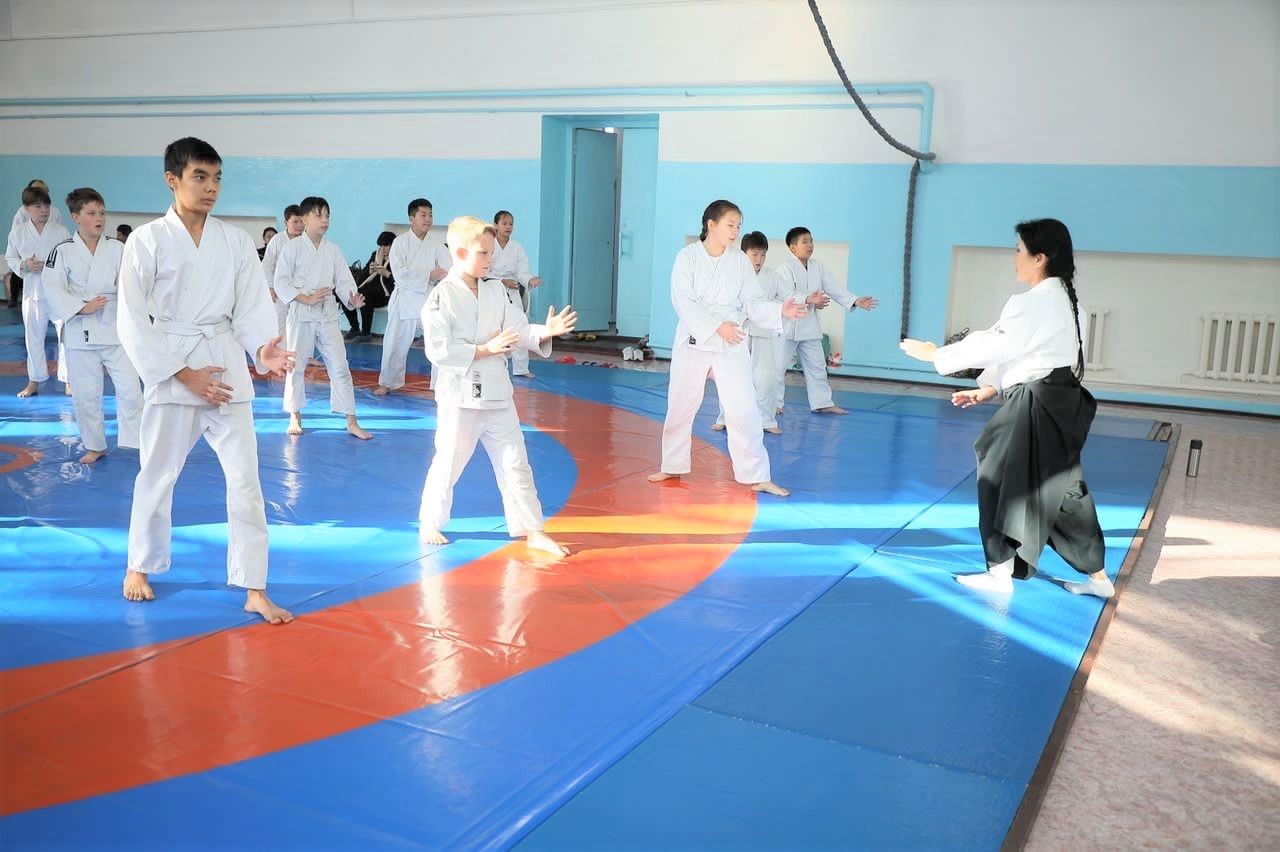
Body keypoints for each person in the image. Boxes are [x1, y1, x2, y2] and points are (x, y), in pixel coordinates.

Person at [117, 136, 296, 623]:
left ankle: (254, 586)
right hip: (173, 365)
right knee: (157, 474)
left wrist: (262, 349)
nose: (211, 187)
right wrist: (183, 374)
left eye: (217, 178)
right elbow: (131, 319)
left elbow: (251, 306)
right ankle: (139, 564)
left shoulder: (234, 241)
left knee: (246, 481)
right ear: (172, 180)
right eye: (200, 176)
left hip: (225, 366)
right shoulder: (147, 240)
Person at [900, 218, 1113, 599]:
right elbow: (1030, 352)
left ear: (1040, 258)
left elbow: (998, 344)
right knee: (1064, 487)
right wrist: (990, 387)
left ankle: (999, 570)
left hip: (1036, 403)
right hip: (1062, 399)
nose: (1015, 258)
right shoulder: (1070, 302)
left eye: (1019, 251)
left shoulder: (1034, 302)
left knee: (997, 471)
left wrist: (938, 354)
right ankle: (1098, 577)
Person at [418, 215, 576, 555]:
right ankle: (430, 521)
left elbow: (518, 328)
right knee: (448, 462)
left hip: (497, 393)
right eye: (484, 253)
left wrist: (544, 332)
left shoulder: (494, 289)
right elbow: (438, 349)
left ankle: (533, 530)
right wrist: (484, 349)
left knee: (516, 463)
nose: (491, 260)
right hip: (460, 396)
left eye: (491, 253)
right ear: (461, 253)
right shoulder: (441, 296)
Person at [648, 201, 806, 496]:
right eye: (730, 225)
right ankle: (672, 464)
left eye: (738, 226)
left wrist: (778, 310)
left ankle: (756, 475)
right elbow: (683, 301)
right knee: (681, 404)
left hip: (731, 338)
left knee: (744, 408)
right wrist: (715, 326)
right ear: (711, 224)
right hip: (695, 338)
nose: (735, 231)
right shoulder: (688, 257)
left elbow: (752, 302)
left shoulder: (739, 261)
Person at [40, 187, 144, 464]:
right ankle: (95, 446)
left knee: (131, 392)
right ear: (75, 217)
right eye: (91, 213)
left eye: (101, 213)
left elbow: (134, 285)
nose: (99, 218)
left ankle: (138, 442)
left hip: (116, 329)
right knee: (86, 396)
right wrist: (80, 307)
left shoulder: (118, 248)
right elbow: (51, 287)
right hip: (80, 330)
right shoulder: (61, 251)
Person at [273, 196, 371, 439]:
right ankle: (295, 414)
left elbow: (344, 281)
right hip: (301, 315)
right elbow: (281, 282)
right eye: (319, 215)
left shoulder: (333, 250)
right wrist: (306, 298)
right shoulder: (292, 248)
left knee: (340, 366)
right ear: (305, 219)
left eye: (327, 215)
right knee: (296, 367)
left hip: (327, 315)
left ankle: (351, 420)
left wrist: (352, 300)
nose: (324, 220)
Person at [774, 226, 878, 415]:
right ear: (793, 247)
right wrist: (808, 299)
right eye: (805, 241)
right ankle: (774, 404)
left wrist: (854, 300)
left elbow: (833, 288)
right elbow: (786, 294)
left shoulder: (818, 267)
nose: (810, 245)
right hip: (787, 326)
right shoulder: (785, 269)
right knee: (777, 368)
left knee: (818, 367)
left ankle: (822, 403)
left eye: (811, 241)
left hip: (809, 326)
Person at [375, 198, 450, 396]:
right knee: (394, 344)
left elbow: (449, 270)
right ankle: (387, 382)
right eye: (423, 215)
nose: (428, 219)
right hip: (404, 299)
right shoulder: (400, 243)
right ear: (411, 218)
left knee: (439, 340)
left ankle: (440, 385)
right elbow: (400, 274)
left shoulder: (437, 246)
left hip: (427, 299)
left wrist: (439, 280)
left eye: (430, 215)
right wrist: (429, 275)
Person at [713, 230, 785, 434]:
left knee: (766, 379)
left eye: (763, 255)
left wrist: (803, 301)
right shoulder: (731, 274)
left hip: (763, 331)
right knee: (731, 376)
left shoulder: (773, 276)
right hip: (738, 331)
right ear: (744, 253)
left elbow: (787, 297)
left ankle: (767, 421)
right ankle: (725, 417)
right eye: (754, 254)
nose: (759, 259)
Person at [5, 184, 71, 397]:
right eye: (38, 206)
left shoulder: (60, 231)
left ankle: (68, 380)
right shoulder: (18, 233)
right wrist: (25, 265)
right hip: (33, 293)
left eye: (46, 206)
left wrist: (53, 267)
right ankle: (34, 381)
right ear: (26, 209)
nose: (44, 210)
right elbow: (11, 258)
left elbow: (70, 258)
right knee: (33, 339)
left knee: (66, 337)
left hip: (58, 292)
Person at [490, 210, 543, 378]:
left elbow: (522, 272)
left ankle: (521, 368)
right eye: (504, 223)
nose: (508, 227)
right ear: (495, 225)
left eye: (511, 224)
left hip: (512, 291)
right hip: (491, 290)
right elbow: (483, 271)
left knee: (519, 327)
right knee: (490, 329)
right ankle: (490, 365)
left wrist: (530, 280)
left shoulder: (517, 248)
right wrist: (501, 281)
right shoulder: (488, 244)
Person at [261, 204, 304, 338]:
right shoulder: (277, 240)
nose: (299, 225)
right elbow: (267, 265)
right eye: (295, 222)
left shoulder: (306, 240)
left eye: (302, 221)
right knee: (280, 326)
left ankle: (296, 351)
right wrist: (270, 287)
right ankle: (281, 351)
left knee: (299, 327)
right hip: (279, 291)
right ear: (286, 223)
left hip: (301, 291)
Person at [344, 230, 395, 340]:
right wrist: (369, 271)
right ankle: (355, 328)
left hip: (387, 295)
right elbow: (361, 278)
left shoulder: (398, 258)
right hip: (371, 291)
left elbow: (400, 282)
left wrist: (386, 273)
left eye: (386, 246)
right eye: (381, 246)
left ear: (393, 245)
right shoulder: (375, 255)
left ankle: (366, 333)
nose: (383, 249)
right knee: (348, 293)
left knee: (365, 294)